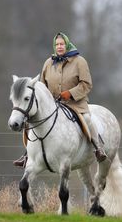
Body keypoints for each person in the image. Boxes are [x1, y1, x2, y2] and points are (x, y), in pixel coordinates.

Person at [13, 32, 106, 167]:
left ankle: (98, 148)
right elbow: (42, 87)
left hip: (76, 103)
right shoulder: (48, 63)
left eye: (62, 44)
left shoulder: (80, 62)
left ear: (67, 44)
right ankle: (27, 154)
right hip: (54, 104)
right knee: (29, 121)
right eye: (57, 45)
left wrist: (70, 93)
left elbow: (86, 84)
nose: (59, 47)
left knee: (86, 118)